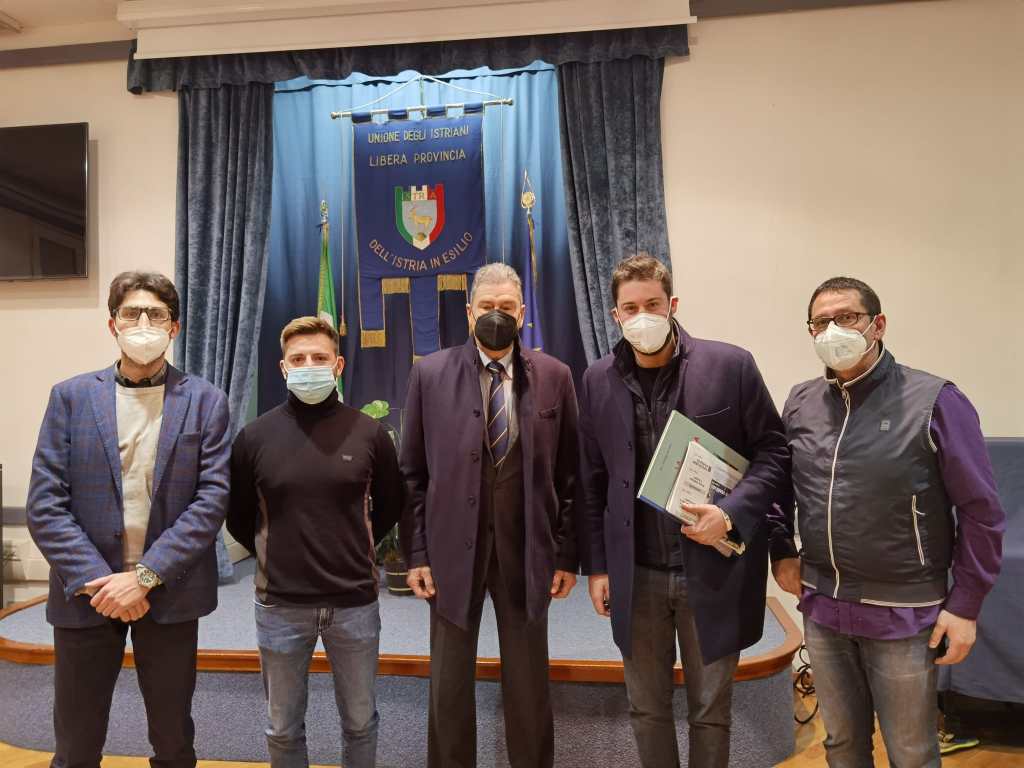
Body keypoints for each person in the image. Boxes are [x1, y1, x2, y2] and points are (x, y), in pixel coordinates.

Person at [771, 276, 1006, 768]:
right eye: (820, 322)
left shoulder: (935, 401)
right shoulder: (801, 402)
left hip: (904, 615)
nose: (833, 330)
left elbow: (981, 512)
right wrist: (782, 550)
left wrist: (965, 606)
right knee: (841, 746)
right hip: (823, 608)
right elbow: (779, 486)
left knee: (911, 752)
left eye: (847, 317)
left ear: (877, 325)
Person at [577, 254, 791, 768]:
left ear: (672, 304)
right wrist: (599, 567)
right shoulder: (597, 379)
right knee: (646, 709)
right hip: (637, 575)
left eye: (652, 304)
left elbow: (774, 452)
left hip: (712, 569)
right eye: (631, 308)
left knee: (710, 712)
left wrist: (732, 513)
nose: (642, 316)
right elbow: (591, 480)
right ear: (615, 315)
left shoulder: (731, 365)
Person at [27, 270, 231, 768]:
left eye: (156, 315)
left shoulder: (206, 401)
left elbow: (211, 500)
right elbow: (46, 504)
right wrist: (102, 581)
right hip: (89, 592)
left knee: (173, 740)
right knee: (76, 744)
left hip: (169, 589)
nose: (144, 324)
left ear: (174, 327)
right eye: (132, 313)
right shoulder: (70, 397)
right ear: (112, 324)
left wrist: (143, 577)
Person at [400, 262, 579, 768]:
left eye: (506, 307)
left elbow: (570, 475)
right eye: (486, 306)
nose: (495, 315)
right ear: (468, 311)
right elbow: (411, 475)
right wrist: (417, 553)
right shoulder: (429, 375)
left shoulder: (556, 376)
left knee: (529, 685)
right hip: (450, 555)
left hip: (527, 553)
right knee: (448, 686)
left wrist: (566, 554)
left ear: (521, 314)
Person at [227, 316, 403, 768]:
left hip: (354, 603)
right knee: (283, 728)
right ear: (283, 367)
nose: (309, 366)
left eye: (320, 357)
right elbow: (239, 517)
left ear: (338, 365)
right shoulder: (254, 437)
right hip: (280, 604)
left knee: (360, 723)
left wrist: (352, 546)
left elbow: (390, 506)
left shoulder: (370, 434)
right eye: (299, 358)